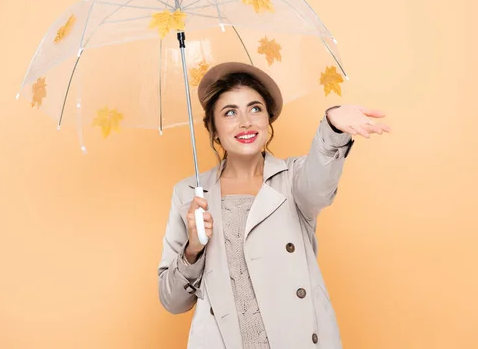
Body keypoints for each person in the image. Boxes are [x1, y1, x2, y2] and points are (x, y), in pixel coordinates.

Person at [157, 62, 390, 349]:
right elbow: (172, 302)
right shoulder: (189, 195)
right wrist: (193, 248)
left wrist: (331, 128)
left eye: (255, 109)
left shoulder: (294, 178)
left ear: (268, 121)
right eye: (230, 113)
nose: (245, 122)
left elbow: (319, 186)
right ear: (213, 129)